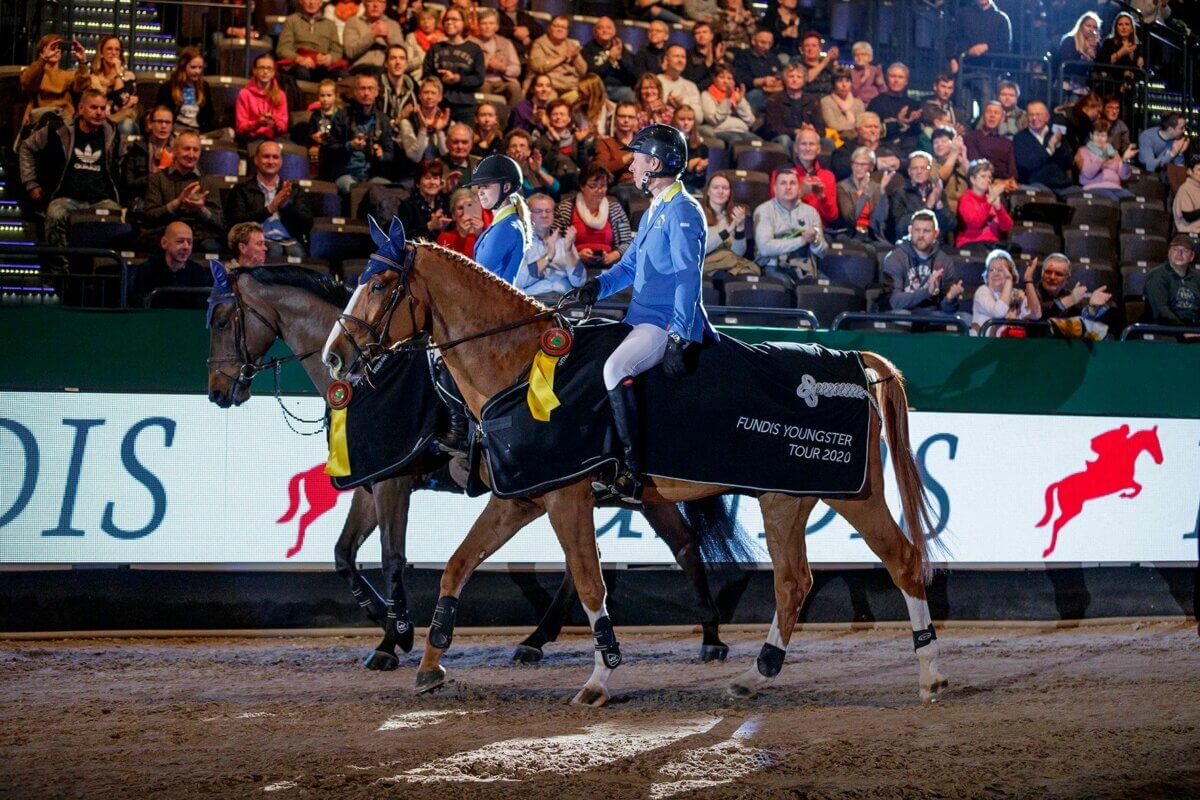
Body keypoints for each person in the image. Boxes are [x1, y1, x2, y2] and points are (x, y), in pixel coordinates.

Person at [568, 124, 717, 503]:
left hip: (663, 321)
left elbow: (687, 276)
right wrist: (594, 288)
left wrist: (679, 335)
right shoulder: (654, 210)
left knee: (615, 368)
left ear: (654, 162)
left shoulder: (683, 209)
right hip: (640, 316)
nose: (630, 166)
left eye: (636, 159)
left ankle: (632, 473)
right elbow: (630, 267)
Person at [18, 88, 128, 250]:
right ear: (81, 109)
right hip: (66, 197)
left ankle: (103, 272)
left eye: (102, 108)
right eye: (93, 107)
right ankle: (60, 272)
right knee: (55, 215)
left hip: (101, 199)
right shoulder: (57, 130)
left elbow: (124, 160)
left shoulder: (112, 133)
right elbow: (26, 147)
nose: (99, 112)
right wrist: (31, 183)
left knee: (119, 220)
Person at [142, 130, 225, 254]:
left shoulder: (208, 182)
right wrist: (178, 202)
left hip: (199, 237)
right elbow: (149, 216)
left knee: (213, 248)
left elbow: (220, 222)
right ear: (174, 150)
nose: (191, 155)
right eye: (186, 149)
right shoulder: (157, 179)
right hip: (165, 233)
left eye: (195, 150)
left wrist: (201, 209)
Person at [227, 140, 313, 259]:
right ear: (256, 160)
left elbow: (307, 223)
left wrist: (286, 206)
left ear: (281, 161)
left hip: (290, 240)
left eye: (275, 157)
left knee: (297, 254)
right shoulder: (242, 190)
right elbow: (236, 223)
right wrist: (269, 209)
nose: (271, 161)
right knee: (274, 250)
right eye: (266, 157)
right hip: (258, 241)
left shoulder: (294, 190)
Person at [461, 154, 532, 283]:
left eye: (486, 186)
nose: (480, 192)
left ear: (506, 187)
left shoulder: (506, 228)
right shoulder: (502, 224)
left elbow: (479, 274)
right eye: (479, 186)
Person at [753, 168, 829, 286]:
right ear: (775, 188)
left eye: (792, 183)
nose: (788, 187)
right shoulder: (764, 210)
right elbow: (765, 248)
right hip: (773, 267)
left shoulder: (811, 212)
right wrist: (802, 240)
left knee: (826, 286)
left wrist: (815, 241)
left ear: (799, 188)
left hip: (805, 267)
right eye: (783, 183)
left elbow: (823, 252)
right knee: (784, 284)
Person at [322, 72, 394, 195]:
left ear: (376, 92)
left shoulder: (383, 120)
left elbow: (390, 154)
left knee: (390, 191)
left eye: (370, 89)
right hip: (345, 174)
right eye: (362, 88)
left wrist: (381, 154)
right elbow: (329, 149)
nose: (366, 93)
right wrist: (349, 146)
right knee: (356, 191)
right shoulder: (341, 116)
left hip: (371, 176)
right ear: (355, 92)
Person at [553, 161, 633, 272]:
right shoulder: (566, 208)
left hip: (608, 267)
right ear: (582, 186)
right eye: (593, 186)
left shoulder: (615, 208)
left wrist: (612, 256)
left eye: (603, 186)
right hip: (573, 266)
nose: (599, 191)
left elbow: (627, 242)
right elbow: (555, 242)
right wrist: (576, 255)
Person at [881, 210, 963, 314]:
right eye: (917, 230)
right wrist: (927, 292)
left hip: (931, 316)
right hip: (903, 315)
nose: (921, 235)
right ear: (910, 231)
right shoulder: (895, 258)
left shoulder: (945, 261)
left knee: (963, 318)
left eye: (926, 231)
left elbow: (947, 309)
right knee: (902, 314)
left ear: (935, 234)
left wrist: (950, 299)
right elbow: (894, 301)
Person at [515, 192, 584, 297]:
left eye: (548, 211)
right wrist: (549, 255)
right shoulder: (520, 243)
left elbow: (579, 281)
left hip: (563, 301)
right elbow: (518, 281)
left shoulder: (564, 242)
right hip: (534, 300)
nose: (544, 215)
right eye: (538, 211)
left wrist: (569, 252)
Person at [127, 221, 212, 306]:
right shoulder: (147, 270)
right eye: (179, 241)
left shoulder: (198, 272)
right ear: (164, 243)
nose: (186, 247)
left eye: (189, 242)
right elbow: (139, 305)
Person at [946, 0, 1012, 108]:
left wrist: (987, 47)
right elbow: (951, 39)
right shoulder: (963, 14)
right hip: (964, 68)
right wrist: (952, 59)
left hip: (988, 72)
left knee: (987, 109)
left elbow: (1005, 46)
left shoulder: (1001, 18)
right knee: (963, 110)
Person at [424, 8, 486, 123]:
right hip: (440, 104)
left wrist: (458, 78)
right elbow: (427, 74)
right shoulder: (435, 48)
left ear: (464, 23)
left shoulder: (474, 49)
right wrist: (441, 79)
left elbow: (479, 78)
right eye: (447, 19)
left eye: (454, 19)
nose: (449, 22)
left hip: (465, 105)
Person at [19, 34, 88, 130]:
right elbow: (27, 82)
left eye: (59, 47)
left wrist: (83, 62)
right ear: (42, 50)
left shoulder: (68, 75)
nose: (56, 50)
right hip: (40, 120)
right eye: (52, 47)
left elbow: (82, 87)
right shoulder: (33, 72)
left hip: (64, 120)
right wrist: (44, 59)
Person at [972, 248, 1039, 335]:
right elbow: (999, 312)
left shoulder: (1016, 294)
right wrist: (1008, 280)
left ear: (1012, 273)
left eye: (1001, 270)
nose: (995, 273)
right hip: (984, 346)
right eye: (991, 270)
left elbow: (1036, 314)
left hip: (1010, 345)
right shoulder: (982, 291)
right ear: (987, 275)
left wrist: (1028, 281)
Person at [888, 151, 952, 241]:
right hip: (909, 244)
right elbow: (900, 226)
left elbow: (950, 225)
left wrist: (939, 205)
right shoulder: (900, 193)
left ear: (929, 171)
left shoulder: (937, 192)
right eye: (915, 168)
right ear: (909, 172)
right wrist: (927, 207)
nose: (919, 171)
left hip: (936, 245)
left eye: (923, 168)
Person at [1034, 252, 1112, 326]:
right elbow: (1037, 312)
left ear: (1067, 279)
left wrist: (1092, 308)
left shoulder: (1069, 295)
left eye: (1058, 274)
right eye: (1048, 272)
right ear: (1042, 273)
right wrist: (1070, 300)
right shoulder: (1031, 292)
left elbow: (1082, 322)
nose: (1052, 277)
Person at [701, 172, 757, 275]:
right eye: (716, 187)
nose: (720, 191)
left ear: (730, 193)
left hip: (731, 264)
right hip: (707, 265)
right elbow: (699, 249)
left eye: (725, 188)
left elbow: (738, 253)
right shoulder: (695, 215)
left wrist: (740, 227)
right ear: (708, 191)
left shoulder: (734, 216)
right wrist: (728, 230)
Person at [121, 106, 175, 209]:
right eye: (159, 121)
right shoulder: (137, 148)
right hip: (143, 199)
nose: (163, 126)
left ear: (172, 126)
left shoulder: (179, 150)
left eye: (167, 122)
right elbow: (128, 183)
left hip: (172, 200)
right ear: (150, 124)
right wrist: (154, 176)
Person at [836, 146, 892, 247]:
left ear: (871, 167)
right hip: (852, 235)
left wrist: (882, 191)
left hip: (872, 235)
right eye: (855, 163)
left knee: (888, 249)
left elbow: (880, 218)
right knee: (867, 249)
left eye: (863, 164)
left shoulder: (875, 188)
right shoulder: (843, 187)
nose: (858, 168)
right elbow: (851, 218)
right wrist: (864, 193)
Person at [277, 0, 345, 82]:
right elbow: (283, 49)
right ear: (301, 1)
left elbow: (337, 51)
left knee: (342, 74)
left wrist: (330, 58)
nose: (311, 2)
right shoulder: (292, 20)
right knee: (302, 72)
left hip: (322, 65)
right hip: (300, 63)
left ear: (320, 3)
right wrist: (299, 59)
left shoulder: (330, 24)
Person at [1014, 100, 1073, 194]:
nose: (1034, 118)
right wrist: (1048, 151)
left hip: (1062, 185)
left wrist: (1058, 146)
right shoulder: (1020, 137)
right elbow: (1025, 164)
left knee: (1080, 198)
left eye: (1038, 114)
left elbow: (1068, 162)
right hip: (1036, 185)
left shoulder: (1055, 134)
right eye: (1031, 115)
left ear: (1047, 117)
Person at [86, 36, 139, 137]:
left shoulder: (128, 76)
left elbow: (120, 100)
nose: (114, 53)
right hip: (97, 119)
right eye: (109, 49)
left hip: (120, 119)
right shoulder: (93, 79)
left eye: (117, 50)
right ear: (101, 53)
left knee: (126, 125)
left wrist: (118, 74)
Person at [765, 64, 824, 152]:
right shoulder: (774, 100)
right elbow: (774, 128)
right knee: (784, 140)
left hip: (808, 138)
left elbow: (821, 129)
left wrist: (812, 130)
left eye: (799, 77)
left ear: (804, 80)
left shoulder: (812, 100)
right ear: (785, 79)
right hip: (785, 137)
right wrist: (796, 131)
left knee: (828, 142)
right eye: (791, 76)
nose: (794, 79)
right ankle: (789, 165)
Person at [529, 15, 587, 105]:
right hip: (550, 87)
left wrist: (576, 57)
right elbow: (537, 66)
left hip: (570, 87)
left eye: (563, 27)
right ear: (549, 28)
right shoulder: (540, 44)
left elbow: (583, 70)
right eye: (556, 26)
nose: (559, 29)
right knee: (551, 101)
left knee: (585, 98)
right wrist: (563, 57)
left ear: (567, 31)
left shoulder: (571, 44)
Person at [156, 48, 216, 133]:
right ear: (183, 66)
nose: (197, 71)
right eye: (193, 67)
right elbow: (162, 113)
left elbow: (209, 115)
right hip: (175, 131)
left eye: (200, 68)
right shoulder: (168, 86)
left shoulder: (204, 86)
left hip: (198, 131)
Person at [1074, 119, 1136, 201]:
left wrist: (1125, 160)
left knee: (1132, 201)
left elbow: (1124, 176)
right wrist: (1102, 158)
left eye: (1103, 135)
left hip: (1116, 188)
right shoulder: (1084, 151)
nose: (1099, 139)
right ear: (1091, 136)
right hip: (1094, 187)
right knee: (1113, 199)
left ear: (1107, 137)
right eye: (1097, 135)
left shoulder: (1114, 153)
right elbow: (1088, 173)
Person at [1143, 235, 1200, 326]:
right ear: (1169, 253)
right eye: (1175, 250)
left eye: (1185, 251)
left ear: (1192, 256)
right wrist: (1183, 330)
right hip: (1165, 329)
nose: (1179, 254)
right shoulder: (1157, 276)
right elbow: (1161, 311)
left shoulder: (1197, 278)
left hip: (1193, 328)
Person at [471, 8, 523, 107]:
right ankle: (485, 117)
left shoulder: (506, 42)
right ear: (478, 26)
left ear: (497, 27)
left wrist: (503, 68)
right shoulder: (471, 43)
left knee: (514, 87)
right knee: (484, 87)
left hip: (502, 81)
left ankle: (514, 119)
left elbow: (516, 69)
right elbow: (467, 67)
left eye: (491, 23)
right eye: (484, 23)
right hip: (482, 81)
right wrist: (485, 65)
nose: (487, 27)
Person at [955, 158, 1012, 247]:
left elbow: (1007, 227)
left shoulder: (990, 198)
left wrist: (999, 209)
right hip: (971, 244)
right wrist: (989, 202)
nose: (988, 180)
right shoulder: (966, 199)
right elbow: (976, 223)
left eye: (989, 177)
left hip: (992, 244)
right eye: (983, 176)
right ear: (973, 180)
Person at [867, 62, 923, 151]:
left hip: (909, 149)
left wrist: (914, 122)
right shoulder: (876, 103)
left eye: (900, 77)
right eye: (893, 76)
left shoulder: (913, 104)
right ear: (887, 79)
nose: (896, 80)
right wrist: (898, 123)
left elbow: (917, 134)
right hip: (883, 148)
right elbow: (871, 132)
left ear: (906, 82)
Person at [582, 17, 638, 105]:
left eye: (608, 28)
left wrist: (619, 58)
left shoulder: (620, 47)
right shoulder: (588, 49)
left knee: (632, 97)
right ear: (595, 32)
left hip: (620, 88)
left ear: (614, 31)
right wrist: (611, 59)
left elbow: (633, 75)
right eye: (601, 28)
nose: (605, 30)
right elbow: (592, 74)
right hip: (598, 89)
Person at [235, 54, 288, 145]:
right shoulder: (244, 93)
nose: (265, 72)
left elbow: (284, 125)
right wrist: (257, 123)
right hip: (252, 139)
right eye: (261, 68)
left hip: (274, 138)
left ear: (273, 72)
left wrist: (274, 123)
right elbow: (240, 127)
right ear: (254, 71)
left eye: (269, 68)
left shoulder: (280, 95)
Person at [594, 103, 641, 207]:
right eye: (622, 116)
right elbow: (601, 168)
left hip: (642, 183)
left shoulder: (643, 143)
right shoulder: (606, 143)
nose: (626, 120)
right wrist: (627, 157)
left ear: (636, 120)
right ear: (615, 119)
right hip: (620, 185)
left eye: (630, 117)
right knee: (624, 194)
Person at [792, 127, 838, 227]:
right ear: (795, 148)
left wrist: (822, 198)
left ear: (819, 149)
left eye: (812, 144)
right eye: (803, 144)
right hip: (790, 230)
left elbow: (832, 216)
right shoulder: (783, 174)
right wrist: (801, 193)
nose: (807, 148)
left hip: (819, 232)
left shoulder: (828, 176)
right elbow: (776, 210)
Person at [398, 77, 451, 165]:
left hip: (439, 173)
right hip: (413, 173)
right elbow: (415, 157)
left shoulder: (448, 122)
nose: (429, 97)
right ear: (419, 96)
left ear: (440, 97)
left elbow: (446, 156)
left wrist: (439, 131)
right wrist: (422, 129)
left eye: (433, 93)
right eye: (426, 92)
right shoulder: (407, 123)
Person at [700, 65, 756, 145]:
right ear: (714, 79)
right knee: (737, 141)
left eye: (729, 78)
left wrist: (740, 102)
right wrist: (727, 99)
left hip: (743, 131)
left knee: (759, 143)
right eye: (721, 77)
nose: (726, 81)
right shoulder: (707, 95)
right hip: (722, 131)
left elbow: (750, 121)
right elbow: (713, 120)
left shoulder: (736, 95)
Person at [964, 101, 1018, 184]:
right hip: (980, 182)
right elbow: (975, 166)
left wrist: (1010, 182)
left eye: (996, 113)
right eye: (989, 112)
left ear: (1002, 118)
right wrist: (995, 181)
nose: (992, 115)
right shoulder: (971, 137)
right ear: (983, 115)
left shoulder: (1007, 142)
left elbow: (1012, 169)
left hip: (1005, 185)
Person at [342, 0, 405, 71]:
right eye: (370, 1)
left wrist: (388, 37)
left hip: (387, 71)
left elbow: (402, 54)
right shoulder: (353, 22)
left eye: (380, 1)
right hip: (360, 70)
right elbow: (350, 52)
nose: (375, 5)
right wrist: (373, 35)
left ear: (385, 6)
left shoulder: (393, 25)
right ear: (364, 4)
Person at [398, 159, 453, 240]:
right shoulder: (408, 205)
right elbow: (403, 238)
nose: (432, 182)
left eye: (435, 178)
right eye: (427, 178)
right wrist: (429, 226)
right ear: (417, 183)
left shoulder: (444, 202)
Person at [734, 29, 783, 114]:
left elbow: (780, 74)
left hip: (773, 92)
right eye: (763, 42)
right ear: (753, 41)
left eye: (770, 43)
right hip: (751, 91)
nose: (767, 47)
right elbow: (740, 78)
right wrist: (762, 81)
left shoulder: (773, 58)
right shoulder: (743, 56)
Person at [1055, 11, 1101, 97]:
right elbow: (1066, 61)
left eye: (1094, 27)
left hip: (1084, 88)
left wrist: (1092, 56)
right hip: (1067, 86)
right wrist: (1083, 53)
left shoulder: (1096, 45)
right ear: (1081, 26)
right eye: (1088, 26)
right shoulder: (1070, 40)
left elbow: (1099, 66)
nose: (1091, 29)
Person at [506, 129, 560, 198]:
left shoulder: (534, 167)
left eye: (522, 146)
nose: (518, 149)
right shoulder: (501, 171)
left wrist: (538, 171)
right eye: (513, 146)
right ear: (507, 151)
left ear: (529, 151)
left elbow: (555, 188)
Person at [660, 46, 706, 126]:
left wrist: (682, 105)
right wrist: (666, 105)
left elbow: (699, 119)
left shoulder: (691, 86)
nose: (680, 60)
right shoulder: (657, 82)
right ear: (666, 59)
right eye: (676, 56)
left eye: (683, 57)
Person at [830, 112, 882, 181]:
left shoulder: (888, 147)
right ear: (857, 129)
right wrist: (875, 164)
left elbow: (901, 162)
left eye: (876, 127)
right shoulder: (846, 150)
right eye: (868, 127)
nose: (873, 131)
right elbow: (841, 170)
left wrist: (899, 163)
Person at [437, 187, 487, 257]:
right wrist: (462, 236)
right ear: (453, 215)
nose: (464, 212)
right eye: (460, 208)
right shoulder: (444, 238)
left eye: (469, 206)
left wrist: (480, 235)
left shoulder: (486, 236)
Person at [821, 68, 866, 145]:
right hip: (835, 138)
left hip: (856, 139)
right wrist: (853, 128)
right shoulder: (826, 101)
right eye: (840, 81)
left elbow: (861, 124)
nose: (844, 85)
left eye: (847, 81)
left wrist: (850, 130)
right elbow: (832, 125)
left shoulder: (858, 103)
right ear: (833, 84)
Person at [932, 127, 970, 214]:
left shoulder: (960, 160)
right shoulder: (932, 162)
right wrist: (953, 154)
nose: (939, 145)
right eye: (935, 142)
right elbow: (939, 177)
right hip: (945, 209)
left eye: (943, 141)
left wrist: (964, 161)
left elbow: (976, 179)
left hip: (966, 207)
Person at [798, 31, 839, 107]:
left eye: (814, 46)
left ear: (820, 48)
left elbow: (839, 80)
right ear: (802, 49)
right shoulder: (797, 63)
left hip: (829, 104)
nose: (810, 49)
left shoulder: (828, 64)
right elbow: (807, 78)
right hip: (807, 105)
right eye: (807, 46)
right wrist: (826, 60)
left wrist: (834, 61)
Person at [673, 106, 709, 194]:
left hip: (692, 188)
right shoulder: (670, 144)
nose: (686, 122)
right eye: (682, 119)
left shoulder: (702, 148)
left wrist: (698, 172)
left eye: (690, 119)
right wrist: (688, 166)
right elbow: (670, 174)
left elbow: (701, 184)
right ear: (675, 121)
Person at [1173, 155, 1200, 235]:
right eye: (1199, 170)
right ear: (1189, 171)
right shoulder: (1185, 189)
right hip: (1190, 235)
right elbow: (1188, 217)